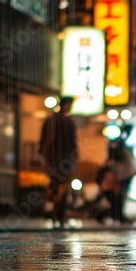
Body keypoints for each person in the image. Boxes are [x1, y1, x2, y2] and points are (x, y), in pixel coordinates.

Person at [39, 96, 78, 227]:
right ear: (66, 105)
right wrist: (73, 158)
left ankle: (54, 213)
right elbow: (72, 143)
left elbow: (43, 141)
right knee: (61, 187)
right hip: (63, 160)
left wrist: (45, 156)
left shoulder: (51, 120)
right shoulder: (68, 122)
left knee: (55, 186)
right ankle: (58, 214)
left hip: (53, 159)